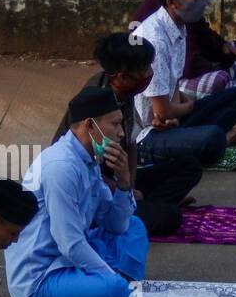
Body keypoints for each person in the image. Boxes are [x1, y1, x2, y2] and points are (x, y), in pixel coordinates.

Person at [6, 87, 148, 297]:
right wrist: (110, 276)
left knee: (135, 227)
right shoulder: (60, 167)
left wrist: (124, 183)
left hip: (70, 261)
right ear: (90, 126)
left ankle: (102, 288)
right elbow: (70, 244)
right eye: (115, 124)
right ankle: (111, 289)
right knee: (115, 290)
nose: (121, 133)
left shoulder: (88, 160)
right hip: (42, 280)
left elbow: (116, 225)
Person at [54, 33, 203, 237]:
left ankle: (146, 204)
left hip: (118, 178)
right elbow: (85, 172)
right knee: (170, 218)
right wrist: (120, 189)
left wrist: (129, 186)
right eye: (144, 69)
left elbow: (131, 143)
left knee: (189, 166)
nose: (150, 73)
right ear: (122, 76)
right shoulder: (95, 104)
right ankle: (141, 210)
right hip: (95, 190)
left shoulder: (125, 93)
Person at [131, 0, 236, 168]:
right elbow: (162, 112)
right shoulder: (155, 40)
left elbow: (174, 87)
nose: (202, 2)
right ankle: (206, 142)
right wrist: (189, 107)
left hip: (169, 121)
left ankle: (188, 141)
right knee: (212, 138)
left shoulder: (178, 26)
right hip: (148, 135)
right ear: (173, 2)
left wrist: (180, 109)